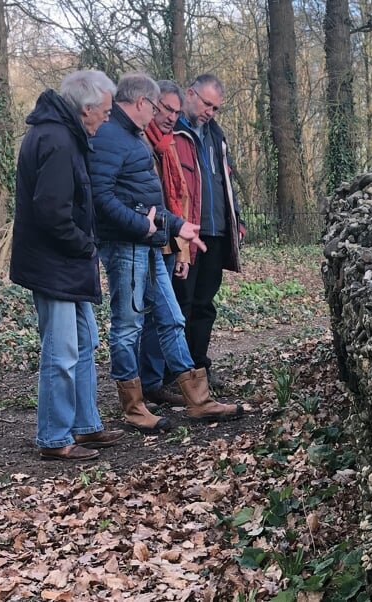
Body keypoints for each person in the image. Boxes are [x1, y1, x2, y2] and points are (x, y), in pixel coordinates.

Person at [89, 73, 243, 431]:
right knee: (127, 327)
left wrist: (177, 226)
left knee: (173, 319)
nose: (162, 116)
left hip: (152, 244)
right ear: (142, 103)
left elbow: (149, 199)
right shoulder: (111, 136)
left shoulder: (134, 136)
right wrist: (145, 224)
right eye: (158, 107)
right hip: (127, 246)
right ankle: (133, 406)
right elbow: (101, 197)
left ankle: (198, 400)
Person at [10, 70, 127, 461]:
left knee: (84, 344)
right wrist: (85, 245)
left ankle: (84, 425)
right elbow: (52, 212)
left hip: (67, 265)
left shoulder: (63, 135)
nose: (108, 119)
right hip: (55, 265)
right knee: (61, 352)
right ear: (88, 108)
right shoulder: (57, 140)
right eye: (107, 112)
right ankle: (55, 436)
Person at [173, 74, 246, 389]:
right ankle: (177, 372)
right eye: (207, 104)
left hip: (215, 234)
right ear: (190, 94)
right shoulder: (172, 132)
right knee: (180, 304)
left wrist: (237, 221)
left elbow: (226, 184)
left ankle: (200, 369)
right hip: (185, 234)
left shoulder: (217, 136)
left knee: (204, 304)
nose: (210, 112)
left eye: (215, 108)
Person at [138, 80, 189, 409]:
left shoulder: (168, 146)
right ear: (153, 105)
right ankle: (139, 387)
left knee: (160, 318)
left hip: (168, 243)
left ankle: (153, 383)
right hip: (144, 242)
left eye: (176, 111)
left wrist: (183, 249)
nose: (171, 116)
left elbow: (179, 199)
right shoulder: (139, 142)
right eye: (167, 108)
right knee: (142, 317)